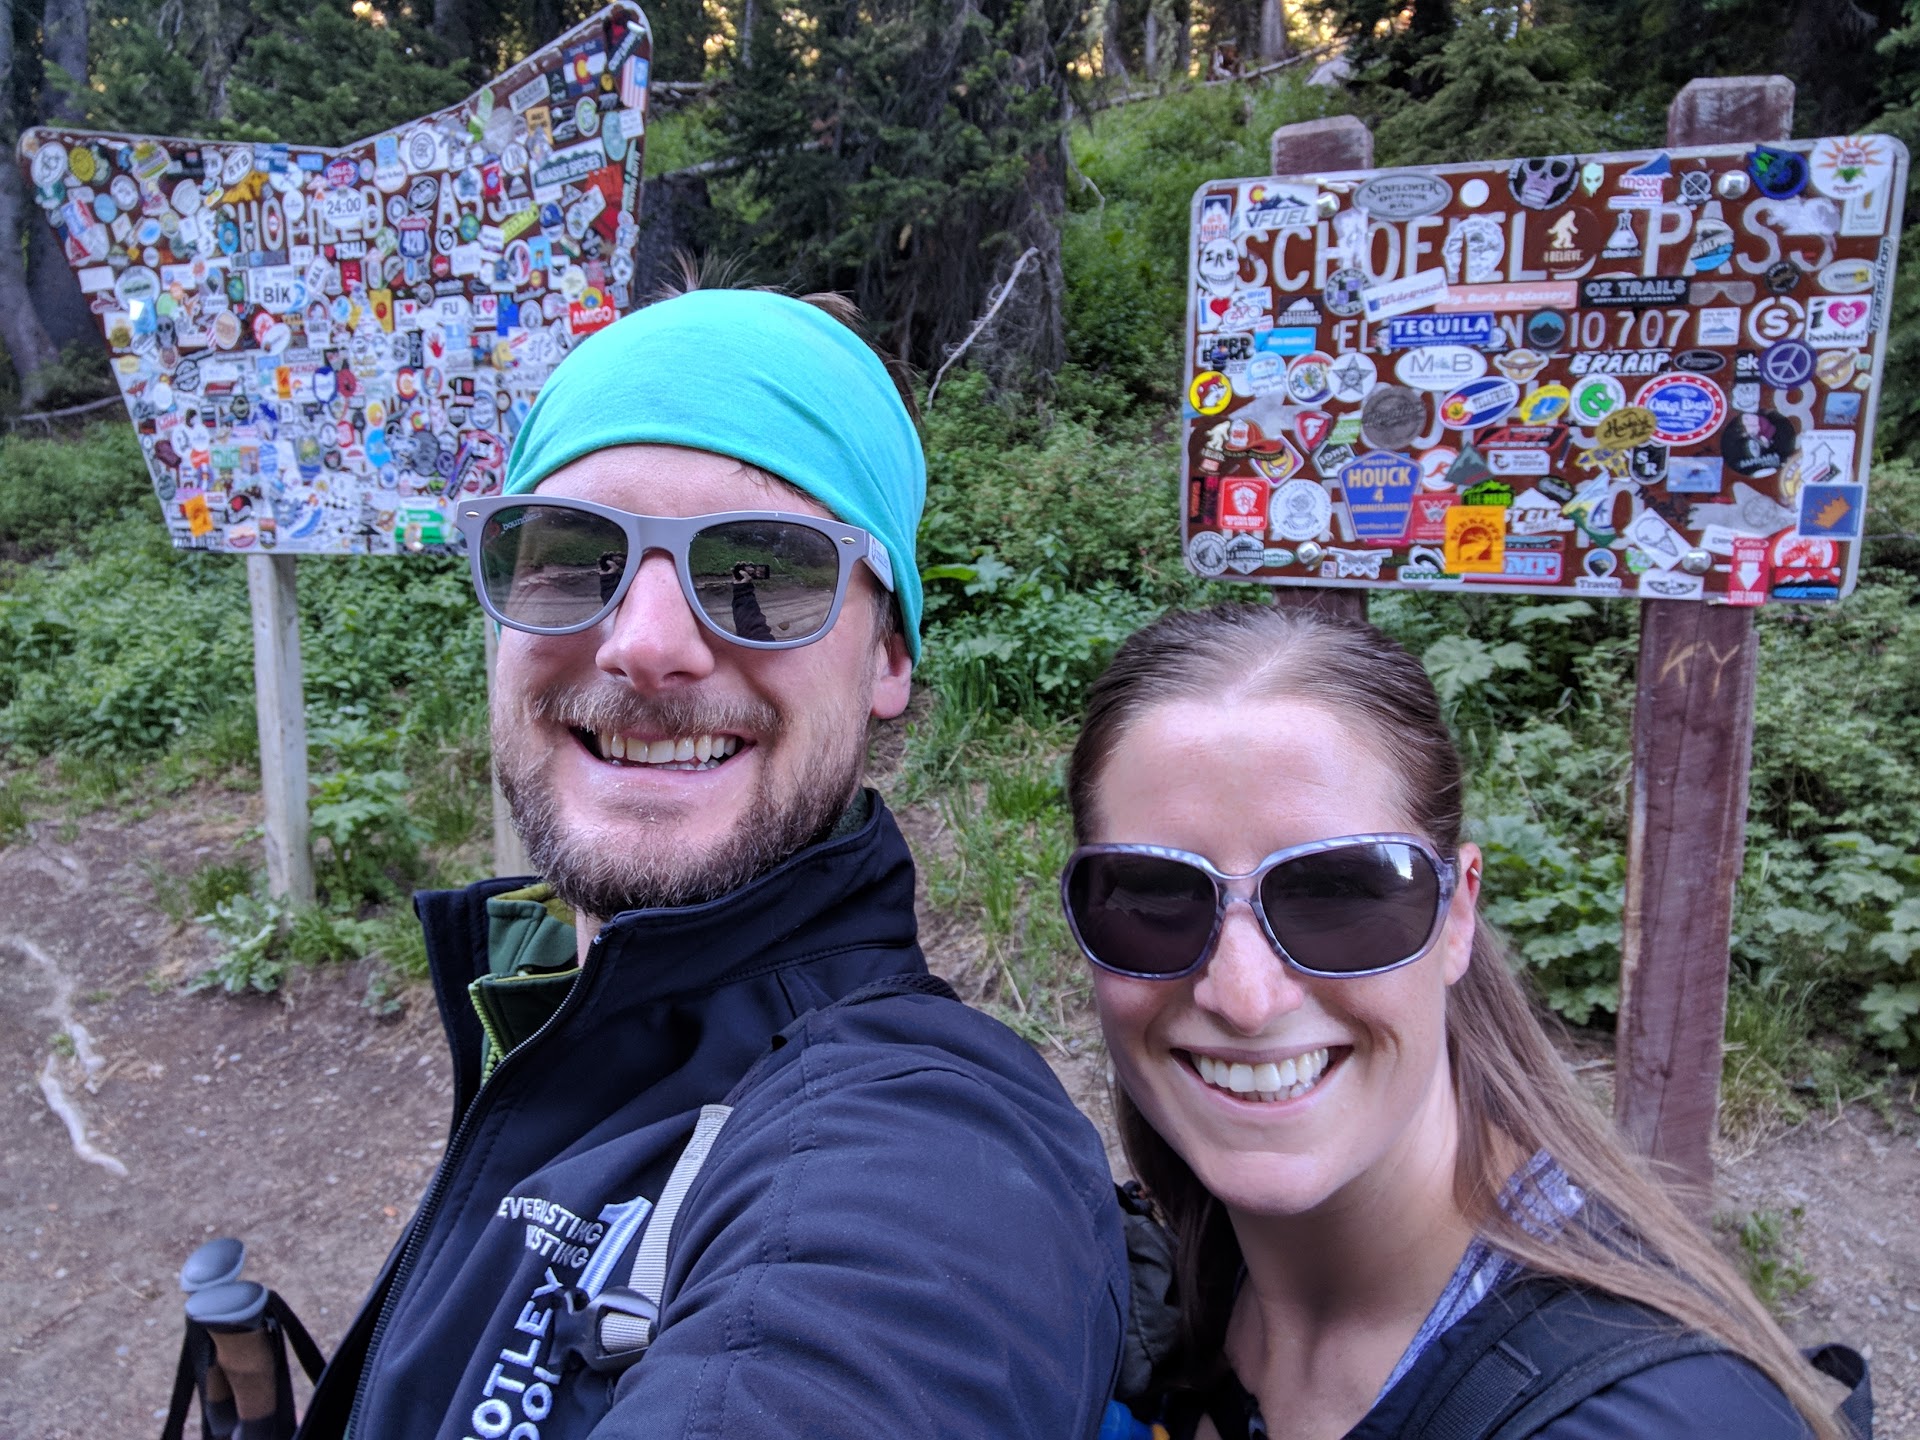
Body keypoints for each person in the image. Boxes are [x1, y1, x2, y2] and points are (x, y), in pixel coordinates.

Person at [294, 286, 1127, 1439]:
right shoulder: (538, 1002)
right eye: (573, 554)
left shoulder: (926, 1143)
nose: (645, 644)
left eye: (765, 570)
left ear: (889, 653)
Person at [1064, 603, 1846, 1440]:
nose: (1246, 999)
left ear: (1458, 913)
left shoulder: (1652, 1421)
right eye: (1151, 896)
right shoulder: (1184, 1266)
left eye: (1342, 895)